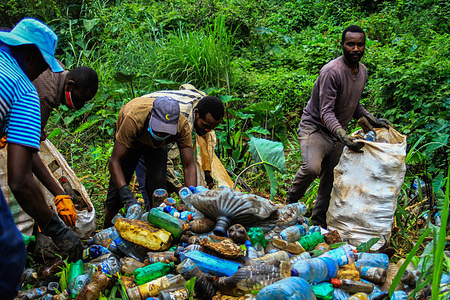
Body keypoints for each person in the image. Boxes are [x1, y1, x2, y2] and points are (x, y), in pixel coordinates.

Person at [0, 18, 82, 298]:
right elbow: (21, 178)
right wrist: (56, 229)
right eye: (43, 66)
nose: (41, 74)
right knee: (8, 248)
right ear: (32, 54)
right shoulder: (26, 91)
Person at [286, 25, 391, 228]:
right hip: (315, 129)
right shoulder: (331, 72)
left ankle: (318, 223)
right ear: (341, 45)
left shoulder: (362, 72)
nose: (355, 49)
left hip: (336, 134)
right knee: (312, 168)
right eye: (350, 44)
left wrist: (371, 119)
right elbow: (326, 111)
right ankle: (289, 204)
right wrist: (342, 134)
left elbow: (353, 102)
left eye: (360, 44)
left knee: (332, 179)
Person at [103, 96, 203, 228]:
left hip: (158, 146)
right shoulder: (133, 119)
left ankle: (155, 225)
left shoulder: (181, 125)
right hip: (133, 140)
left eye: (165, 131)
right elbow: (115, 162)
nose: (161, 134)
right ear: (150, 116)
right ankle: (106, 228)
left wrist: (190, 199)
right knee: (117, 191)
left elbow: (188, 166)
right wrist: (126, 194)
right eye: (159, 130)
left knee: (158, 184)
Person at [135, 84, 225, 209]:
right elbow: (165, 161)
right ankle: (152, 211)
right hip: (143, 123)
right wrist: (180, 189)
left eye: (212, 127)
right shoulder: (181, 123)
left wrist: (190, 194)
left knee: (165, 178)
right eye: (205, 125)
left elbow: (187, 87)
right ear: (197, 113)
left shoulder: (204, 102)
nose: (208, 130)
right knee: (155, 180)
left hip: (162, 119)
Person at [31, 64, 98, 227]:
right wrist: (59, 194)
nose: (80, 106)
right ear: (69, 86)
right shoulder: (45, 97)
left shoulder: (59, 69)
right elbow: (28, 152)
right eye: (80, 100)